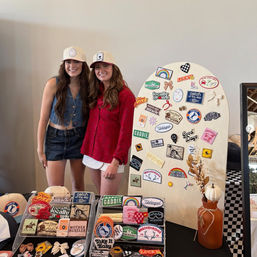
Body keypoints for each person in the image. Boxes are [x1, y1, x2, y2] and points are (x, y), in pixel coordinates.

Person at [81, 51, 135, 195]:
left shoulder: (126, 95)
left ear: (114, 68)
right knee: (99, 199)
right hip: (93, 153)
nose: (101, 70)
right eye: (97, 67)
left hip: (111, 159)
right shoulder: (95, 91)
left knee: (107, 204)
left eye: (105, 66)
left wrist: (115, 162)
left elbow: (127, 131)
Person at [37, 46, 90, 192]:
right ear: (63, 64)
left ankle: (78, 215)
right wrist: (40, 149)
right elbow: (43, 119)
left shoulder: (89, 85)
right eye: (68, 62)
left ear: (83, 65)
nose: (72, 66)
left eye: (76, 62)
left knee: (78, 187)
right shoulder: (53, 84)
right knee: (55, 190)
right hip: (55, 138)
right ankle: (60, 215)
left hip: (79, 137)